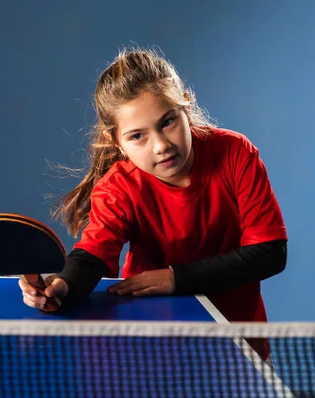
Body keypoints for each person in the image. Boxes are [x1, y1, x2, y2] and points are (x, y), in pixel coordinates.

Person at [18, 47, 288, 361]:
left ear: (186, 105)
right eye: (137, 136)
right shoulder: (120, 187)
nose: (160, 146)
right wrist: (62, 287)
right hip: (150, 343)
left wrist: (177, 278)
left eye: (167, 122)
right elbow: (92, 256)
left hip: (238, 338)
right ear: (116, 140)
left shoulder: (235, 153)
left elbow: (269, 253)